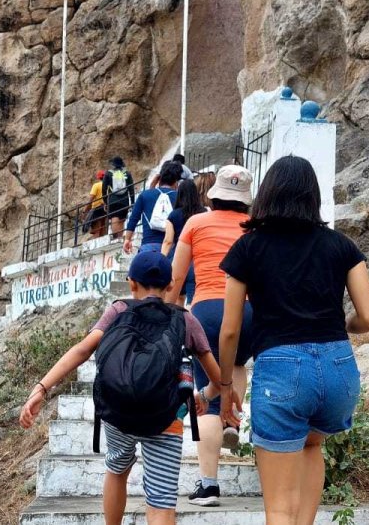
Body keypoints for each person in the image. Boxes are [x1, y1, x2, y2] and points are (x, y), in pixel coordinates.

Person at [217, 156, 369, 525]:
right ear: (312, 195)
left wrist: (226, 386)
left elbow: (230, 330)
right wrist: (344, 326)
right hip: (339, 368)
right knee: (311, 444)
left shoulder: (248, 248)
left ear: (266, 194)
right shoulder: (341, 245)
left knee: (278, 510)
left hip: (283, 370)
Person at [19, 251, 225, 525]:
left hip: (118, 412)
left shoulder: (118, 310)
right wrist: (205, 396)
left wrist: (41, 388)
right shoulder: (185, 320)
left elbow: (82, 350)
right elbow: (219, 380)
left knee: (117, 470)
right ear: (171, 286)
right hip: (166, 417)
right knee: (162, 503)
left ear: (131, 283)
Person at [166, 164, 255, 507]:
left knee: (207, 399)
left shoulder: (195, 223)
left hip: (206, 312)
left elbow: (176, 279)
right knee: (237, 364)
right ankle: (233, 420)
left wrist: (167, 313)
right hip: (247, 311)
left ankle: (208, 486)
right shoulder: (255, 227)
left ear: (215, 194)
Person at [161, 179, 206, 304]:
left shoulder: (173, 215)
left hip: (178, 258)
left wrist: (161, 259)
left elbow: (168, 241)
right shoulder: (204, 213)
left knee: (178, 297)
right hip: (198, 258)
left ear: (179, 194)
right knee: (193, 300)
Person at [123, 161, 182, 254]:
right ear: (176, 181)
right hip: (170, 249)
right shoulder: (180, 197)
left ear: (160, 178)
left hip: (148, 247)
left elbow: (133, 219)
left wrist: (127, 239)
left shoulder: (145, 195)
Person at [103, 157, 135, 238]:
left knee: (114, 217)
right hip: (124, 201)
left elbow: (104, 189)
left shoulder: (108, 173)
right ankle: (120, 238)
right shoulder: (127, 173)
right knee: (122, 219)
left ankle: (115, 238)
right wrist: (132, 202)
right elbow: (131, 189)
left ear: (113, 165)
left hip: (112, 200)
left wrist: (105, 202)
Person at [85, 170, 108, 238]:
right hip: (105, 207)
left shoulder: (96, 185)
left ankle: (96, 238)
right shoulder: (108, 186)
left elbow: (91, 198)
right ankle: (103, 238)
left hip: (96, 208)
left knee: (95, 227)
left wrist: (85, 209)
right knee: (103, 224)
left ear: (98, 177)